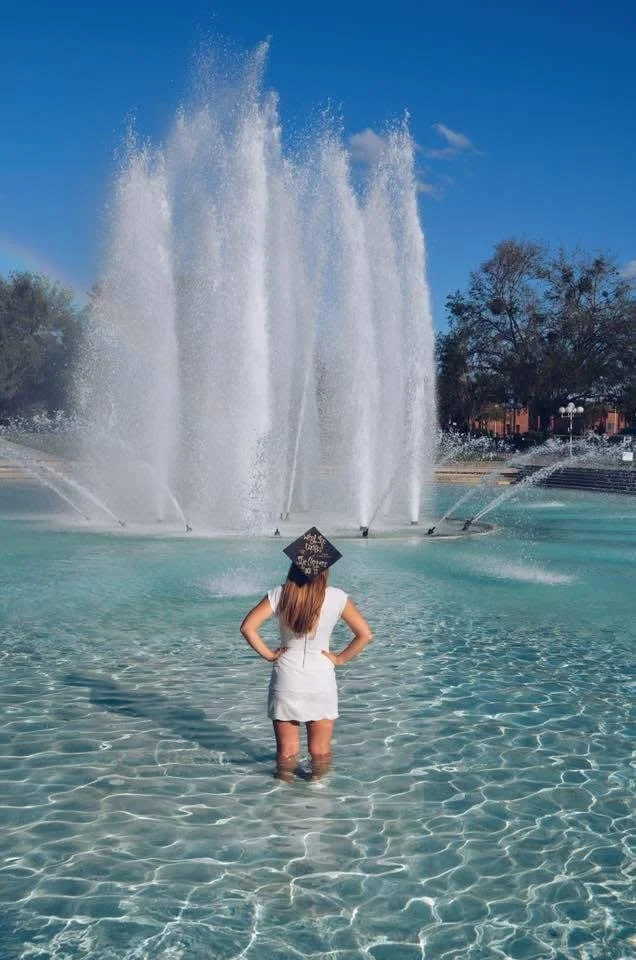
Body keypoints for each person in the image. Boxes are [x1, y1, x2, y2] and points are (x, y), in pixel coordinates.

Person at [240, 526, 372, 780]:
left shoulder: (280, 594)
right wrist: (340, 658)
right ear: (325, 570)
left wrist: (269, 655)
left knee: (287, 753)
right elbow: (365, 634)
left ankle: (282, 793)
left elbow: (248, 628)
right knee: (320, 751)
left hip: (286, 674)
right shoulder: (337, 597)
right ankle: (318, 791)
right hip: (321, 675)